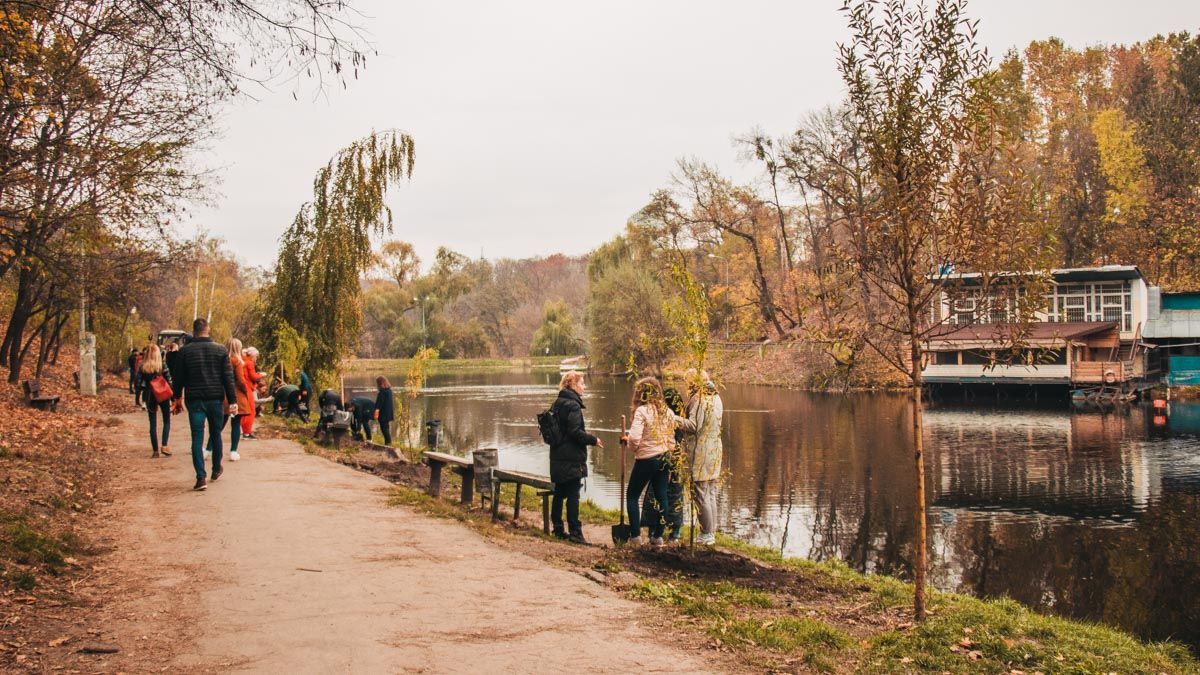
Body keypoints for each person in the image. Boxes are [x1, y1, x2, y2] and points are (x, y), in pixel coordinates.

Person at [171, 318, 237, 491]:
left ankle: (201, 478)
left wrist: (176, 397)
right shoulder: (221, 350)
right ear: (208, 329)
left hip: (194, 399)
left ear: (194, 331)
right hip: (215, 399)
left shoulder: (185, 352)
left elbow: (178, 378)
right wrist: (233, 401)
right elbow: (228, 378)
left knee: (197, 437)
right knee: (216, 434)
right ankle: (216, 469)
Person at [548, 370, 603, 544]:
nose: (584, 387)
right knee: (573, 494)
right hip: (571, 457)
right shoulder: (573, 405)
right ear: (572, 385)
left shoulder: (557, 403)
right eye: (582, 383)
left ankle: (558, 529)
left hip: (557, 456)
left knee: (559, 492)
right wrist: (593, 440)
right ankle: (575, 533)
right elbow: (575, 432)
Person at [619, 377, 674, 547]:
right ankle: (657, 537)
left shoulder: (642, 411)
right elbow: (671, 439)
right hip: (664, 457)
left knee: (632, 495)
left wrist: (631, 446)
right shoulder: (667, 411)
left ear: (640, 393)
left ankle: (635, 537)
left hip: (647, 459)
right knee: (662, 496)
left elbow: (635, 438)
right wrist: (669, 459)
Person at [676, 371, 724, 546]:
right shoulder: (716, 397)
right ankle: (710, 533)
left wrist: (673, 418)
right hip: (714, 449)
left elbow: (694, 425)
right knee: (710, 492)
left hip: (701, 452)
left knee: (701, 493)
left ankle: (706, 534)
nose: (686, 386)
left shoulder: (699, 399)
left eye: (686, 382)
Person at [641, 386, 686, 543]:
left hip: (665, 460)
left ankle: (655, 529)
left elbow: (671, 443)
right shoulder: (679, 420)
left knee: (657, 495)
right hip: (674, 461)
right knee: (674, 496)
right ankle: (674, 531)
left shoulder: (669, 419)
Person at [137, 343, 173, 458]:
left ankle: (155, 451)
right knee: (166, 420)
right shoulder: (162, 365)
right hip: (163, 394)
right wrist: (173, 397)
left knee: (152, 423)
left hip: (149, 395)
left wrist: (140, 394)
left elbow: (138, 383)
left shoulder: (142, 366)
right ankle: (164, 445)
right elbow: (169, 381)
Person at [225, 338, 252, 461]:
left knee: (219, 425)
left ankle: (209, 449)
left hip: (223, 395)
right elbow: (240, 380)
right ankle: (233, 451)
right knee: (236, 423)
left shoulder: (223, 360)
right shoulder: (237, 361)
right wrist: (246, 391)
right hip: (236, 395)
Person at [240, 347, 264, 439]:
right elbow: (253, 377)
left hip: (242, 388)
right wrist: (261, 375)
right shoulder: (249, 363)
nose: (256, 358)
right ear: (252, 355)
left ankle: (245, 431)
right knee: (251, 411)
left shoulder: (242, 361)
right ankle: (247, 433)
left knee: (245, 410)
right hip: (248, 388)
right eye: (256, 356)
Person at [374, 377, 395, 446]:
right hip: (388, 413)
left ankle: (388, 443)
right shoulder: (389, 391)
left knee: (384, 429)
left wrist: (376, 413)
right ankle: (387, 443)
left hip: (383, 413)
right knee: (386, 428)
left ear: (380, 383)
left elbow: (379, 403)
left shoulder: (382, 392)